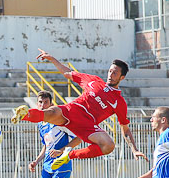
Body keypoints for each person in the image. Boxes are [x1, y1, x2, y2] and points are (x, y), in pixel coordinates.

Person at [11, 48, 147, 170]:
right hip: (72, 111)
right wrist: (52, 59)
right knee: (52, 112)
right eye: (110, 71)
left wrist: (134, 150)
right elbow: (68, 73)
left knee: (108, 145)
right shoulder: (94, 81)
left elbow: (125, 129)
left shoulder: (119, 102)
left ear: (122, 77)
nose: (111, 75)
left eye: (115, 73)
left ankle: (69, 155)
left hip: (87, 125)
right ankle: (24, 115)